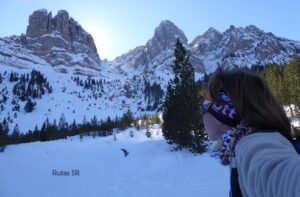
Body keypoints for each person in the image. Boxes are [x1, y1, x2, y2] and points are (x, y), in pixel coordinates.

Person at [200, 68, 300, 197]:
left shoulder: (254, 145)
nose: (202, 109)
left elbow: (283, 178)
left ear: (223, 111)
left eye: (207, 101)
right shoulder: (242, 142)